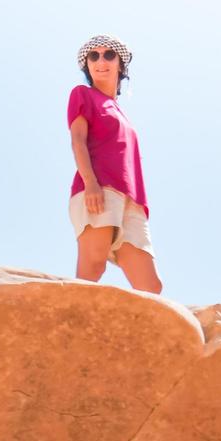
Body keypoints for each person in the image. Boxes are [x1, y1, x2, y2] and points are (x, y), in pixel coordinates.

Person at [67, 34, 162, 293]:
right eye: (93, 56)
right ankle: (71, 327)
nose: (101, 61)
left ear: (120, 64)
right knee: (92, 267)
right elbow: (78, 141)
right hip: (99, 188)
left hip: (132, 201)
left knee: (150, 287)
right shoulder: (83, 95)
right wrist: (91, 184)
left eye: (109, 54)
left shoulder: (121, 112)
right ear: (86, 65)